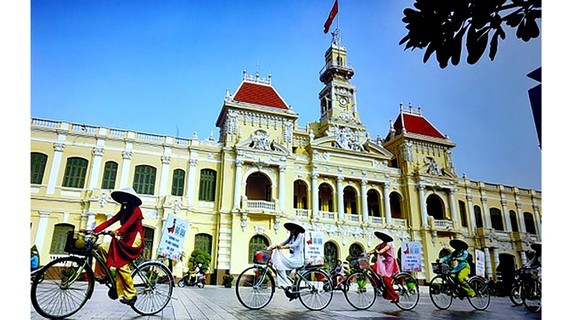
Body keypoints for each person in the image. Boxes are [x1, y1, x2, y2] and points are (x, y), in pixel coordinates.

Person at [92, 187, 145, 306]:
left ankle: (131, 294)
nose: (122, 199)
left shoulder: (136, 210)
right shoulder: (124, 211)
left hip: (134, 239)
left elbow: (128, 224)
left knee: (121, 264)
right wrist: (94, 230)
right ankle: (102, 275)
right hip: (125, 237)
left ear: (131, 199)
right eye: (121, 197)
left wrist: (118, 231)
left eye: (125, 197)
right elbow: (110, 221)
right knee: (101, 248)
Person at [268, 221, 305, 300]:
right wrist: (274, 246)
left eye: (292, 228)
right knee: (282, 270)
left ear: (296, 228)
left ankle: (288, 286)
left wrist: (283, 248)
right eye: (290, 228)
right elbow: (283, 243)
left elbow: (295, 245)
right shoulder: (291, 236)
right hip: (292, 258)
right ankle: (290, 289)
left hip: (298, 259)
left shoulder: (300, 235)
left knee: (280, 265)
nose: (291, 230)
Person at [367, 231, 400, 303]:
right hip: (384, 262)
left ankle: (395, 297)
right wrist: (367, 253)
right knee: (373, 268)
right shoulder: (382, 244)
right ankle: (379, 285)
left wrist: (379, 252)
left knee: (386, 279)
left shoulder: (389, 243)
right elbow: (375, 249)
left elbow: (385, 248)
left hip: (390, 262)